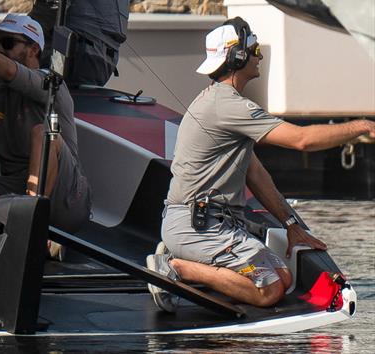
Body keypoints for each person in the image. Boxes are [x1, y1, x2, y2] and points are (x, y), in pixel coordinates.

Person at [147, 17, 375, 313]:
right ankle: (174, 267)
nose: (260, 56)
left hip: (206, 223)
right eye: (254, 49)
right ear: (237, 56)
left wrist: (291, 225)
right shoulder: (227, 105)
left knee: (283, 277)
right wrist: (361, 126)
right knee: (269, 291)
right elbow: (302, 140)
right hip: (199, 226)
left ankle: (189, 258)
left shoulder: (222, 103)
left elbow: (256, 175)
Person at [0, 13, 91, 238]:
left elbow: (8, 70)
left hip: (65, 197)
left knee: (44, 133)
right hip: (12, 189)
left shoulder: (51, 82)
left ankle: (29, 225)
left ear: (34, 49)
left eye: (7, 43)